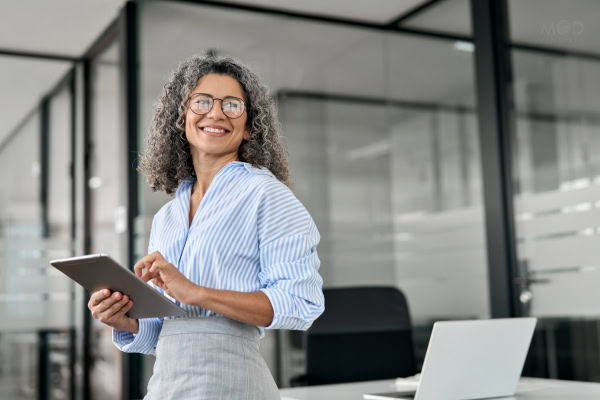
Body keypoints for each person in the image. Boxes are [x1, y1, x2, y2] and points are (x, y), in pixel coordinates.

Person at [87, 53, 325, 399]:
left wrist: (197, 293)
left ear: (249, 127)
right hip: (167, 387)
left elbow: (301, 303)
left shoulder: (266, 195)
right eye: (202, 101)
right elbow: (171, 333)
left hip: (233, 384)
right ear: (181, 117)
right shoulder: (168, 216)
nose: (216, 113)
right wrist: (125, 321)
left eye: (232, 105)